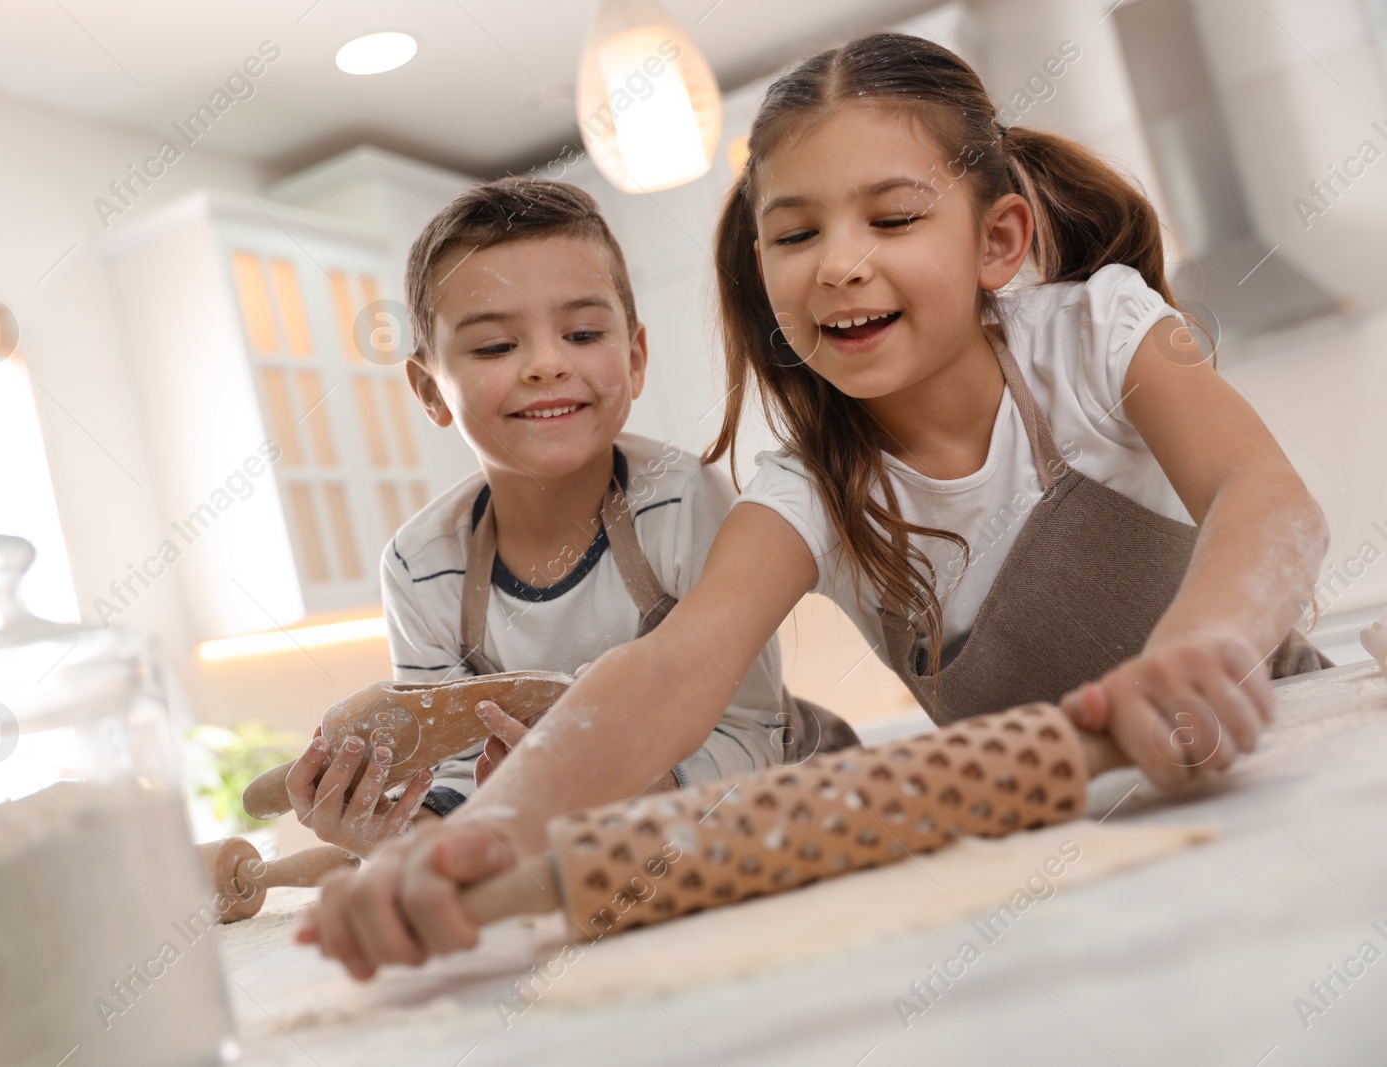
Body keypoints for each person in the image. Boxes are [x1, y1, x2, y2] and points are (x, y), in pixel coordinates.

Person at [300, 33, 1332, 977]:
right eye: (795, 233)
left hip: (1279, 756)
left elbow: (1265, 497)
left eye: (892, 217)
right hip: (1070, 843)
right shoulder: (808, 484)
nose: (841, 262)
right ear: (762, 267)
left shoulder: (1094, 338)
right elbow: (667, 669)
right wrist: (484, 827)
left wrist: (1205, 646)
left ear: (998, 239)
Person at [284, 177, 851, 859]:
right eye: (495, 346)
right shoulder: (420, 565)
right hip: (607, 862)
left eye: (582, 333)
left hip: (794, 810)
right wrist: (406, 828)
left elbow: (747, 731)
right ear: (431, 389)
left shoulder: (680, 502)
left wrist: (601, 783)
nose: (547, 364)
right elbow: (454, 770)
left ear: (635, 359)